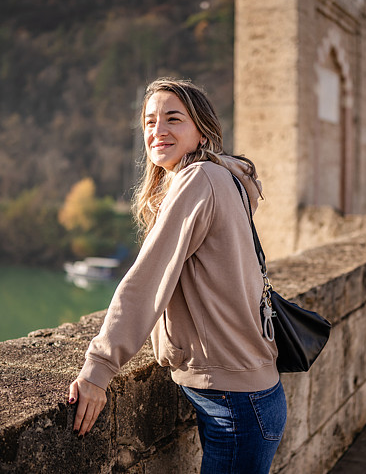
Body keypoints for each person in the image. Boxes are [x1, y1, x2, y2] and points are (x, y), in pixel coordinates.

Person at [68, 77, 286, 473]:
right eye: (150, 121)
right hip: (247, 395)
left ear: (201, 129)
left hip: (233, 402)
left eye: (173, 119)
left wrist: (98, 370)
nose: (158, 131)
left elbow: (145, 282)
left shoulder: (199, 179)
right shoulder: (224, 178)